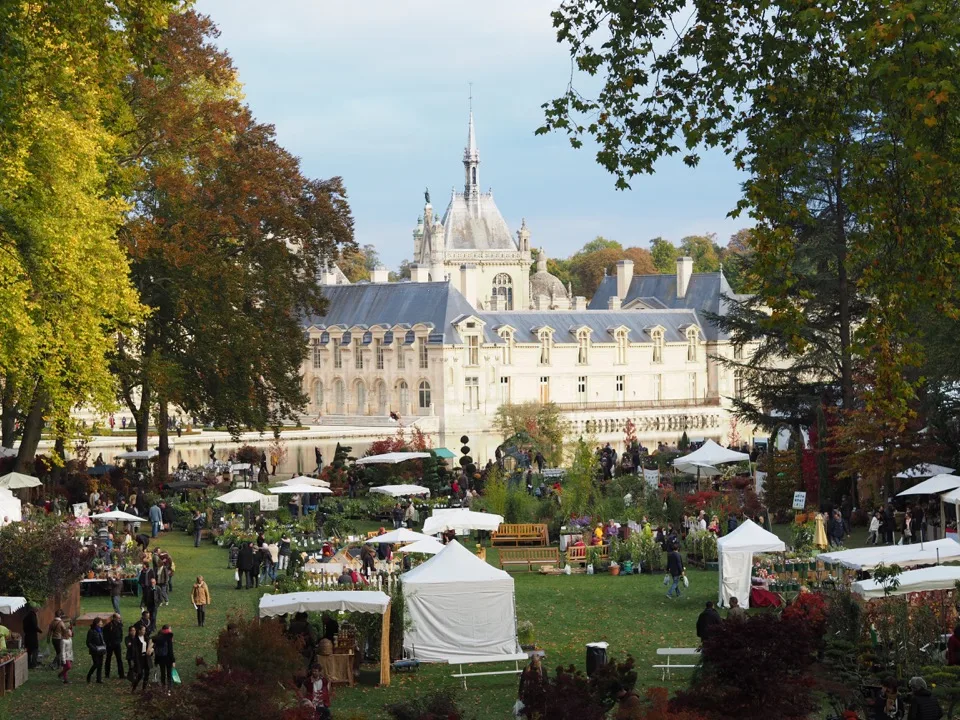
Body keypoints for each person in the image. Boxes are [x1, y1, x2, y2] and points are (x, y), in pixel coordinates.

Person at [130, 623, 152, 693]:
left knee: (147, 673)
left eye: (144, 630)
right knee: (140, 674)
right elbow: (134, 651)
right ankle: (134, 687)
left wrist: (151, 650)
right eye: (143, 630)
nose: (144, 631)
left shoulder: (146, 637)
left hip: (146, 657)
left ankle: (144, 689)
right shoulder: (135, 640)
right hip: (139, 658)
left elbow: (150, 644)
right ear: (139, 631)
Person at [153, 624, 175, 689]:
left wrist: (156, 661)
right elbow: (170, 650)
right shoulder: (168, 637)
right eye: (170, 629)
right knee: (169, 673)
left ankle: (163, 686)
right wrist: (173, 660)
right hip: (168, 658)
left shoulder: (158, 638)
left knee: (162, 673)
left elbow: (156, 649)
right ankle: (169, 688)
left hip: (160, 658)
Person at [85, 617, 107, 683]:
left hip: (101, 649)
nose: (102, 623)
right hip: (94, 650)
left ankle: (99, 679)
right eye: (101, 622)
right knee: (96, 664)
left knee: (100, 664)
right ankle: (89, 675)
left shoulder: (101, 630)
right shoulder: (91, 631)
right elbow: (88, 642)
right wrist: (94, 649)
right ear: (97, 623)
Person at [104, 613, 125, 679]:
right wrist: (108, 643)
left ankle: (121, 674)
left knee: (119, 659)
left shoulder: (119, 625)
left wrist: (119, 641)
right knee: (108, 659)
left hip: (117, 644)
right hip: (110, 645)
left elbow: (121, 634)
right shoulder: (108, 626)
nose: (119, 619)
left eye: (119, 618)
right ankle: (107, 674)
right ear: (114, 618)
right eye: (118, 618)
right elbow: (105, 635)